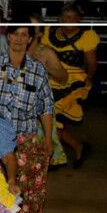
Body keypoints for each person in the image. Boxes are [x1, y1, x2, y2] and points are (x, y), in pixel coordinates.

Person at [0, 24, 55, 213]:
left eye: (25, 35)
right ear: (9, 36)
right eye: (16, 34)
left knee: (28, 195)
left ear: (30, 39)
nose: (19, 39)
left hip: (26, 141)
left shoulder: (37, 69)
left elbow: (46, 106)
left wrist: (48, 140)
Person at [40, 2, 99, 168]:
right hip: (50, 79)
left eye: (73, 18)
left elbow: (92, 64)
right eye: (66, 17)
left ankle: (57, 155)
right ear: (60, 19)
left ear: (79, 20)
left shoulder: (86, 37)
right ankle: (75, 147)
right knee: (47, 120)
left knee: (52, 118)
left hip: (73, 82)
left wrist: (89, 79)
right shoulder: (48, 33)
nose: (70, 21)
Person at [27, 13, 71, 169]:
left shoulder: (45, 52)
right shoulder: (15, 48)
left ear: (40, 32)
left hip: (41, 103)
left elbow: (63, 76)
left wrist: (46, 68)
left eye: (34, 28)